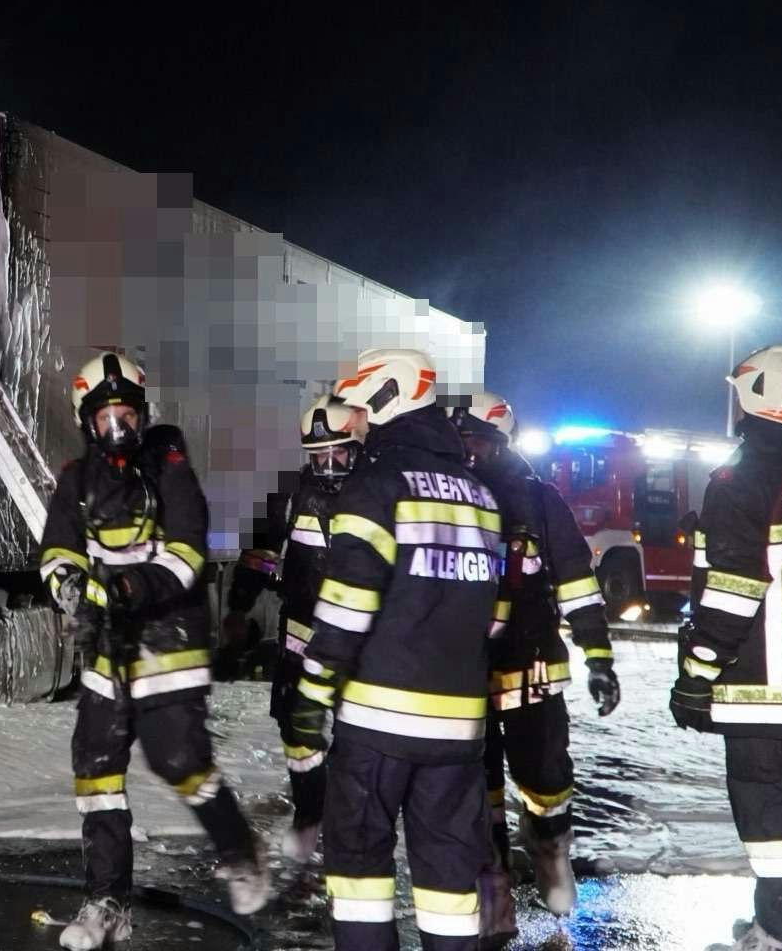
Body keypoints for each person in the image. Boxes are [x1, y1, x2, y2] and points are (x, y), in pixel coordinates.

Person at [37, 352, 270, 950]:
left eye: (127, 415)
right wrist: (70, 589)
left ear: (143, 416)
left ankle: (240, 849)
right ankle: (107, 902)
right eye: (106, 417)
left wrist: (129, 588)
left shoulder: (169, 470)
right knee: (96, 765)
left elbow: (187, 552)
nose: (118, 428)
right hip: (108, 644)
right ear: (88, 421)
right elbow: (58, 550)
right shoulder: (75, 481)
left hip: (170, 636)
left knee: (178, 759)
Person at [291, 348, 503, 951]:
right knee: (449, 884)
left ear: (389, 400)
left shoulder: (375, 486)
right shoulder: (480, 495)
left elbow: (346, 607)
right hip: (459, 733)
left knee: (359, 873)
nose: (355, 424)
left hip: (377, 724)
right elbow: (489, 611)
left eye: (360, 411)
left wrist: (311, 695)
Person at [671, 345, 782, 951]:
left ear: (757, 394)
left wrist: (698, 671)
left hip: (762, 686)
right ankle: (779, 926)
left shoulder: (742, 477)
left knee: (768, 819)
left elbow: (733, 589)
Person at [448, 392, 617, 936]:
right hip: (463, 673)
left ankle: (550, 854)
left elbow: (576, 582)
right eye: (461, 440)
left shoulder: (540, 501)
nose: (467, 451)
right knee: (477, 789)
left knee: (546, 780)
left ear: (501, 443)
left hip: (532, 669)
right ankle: (492, 891)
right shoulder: (447, 497)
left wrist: (598, 656)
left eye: (476, 441)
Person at [224, 395, 369, 863]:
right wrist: (239, 606)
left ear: (358, 446)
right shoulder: (290, 493)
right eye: (318, 456)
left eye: (338, 453)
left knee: (358, 734)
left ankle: (351, 822)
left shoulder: (378, 493)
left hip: (361, 641)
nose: (328, 466)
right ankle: (309, 814)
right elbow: (260, 552)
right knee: (296, 727)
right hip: (301, 634)